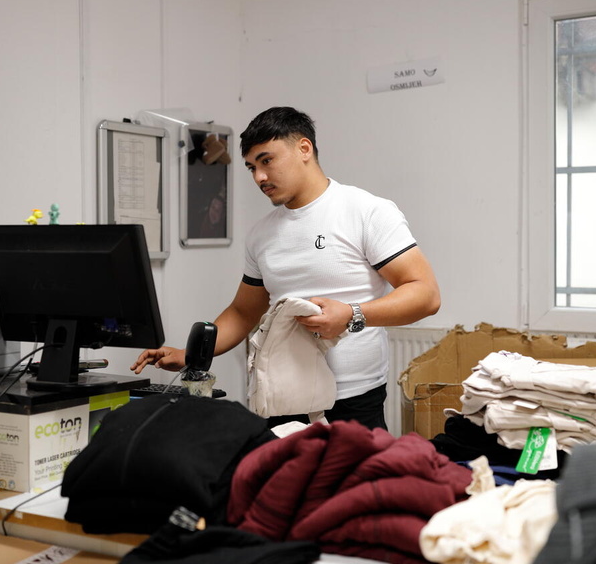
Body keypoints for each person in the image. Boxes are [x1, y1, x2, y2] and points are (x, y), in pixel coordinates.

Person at [132, 106, 440, 430]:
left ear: (304, 148)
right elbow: (242, 312)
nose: (259, 177)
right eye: (252, 167)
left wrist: (351, 314)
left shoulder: (366, 211)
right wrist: (191, 355)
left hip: (352, 401)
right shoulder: (261, 234)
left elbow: (425, 294)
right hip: (281, 396)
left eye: (267, 161)